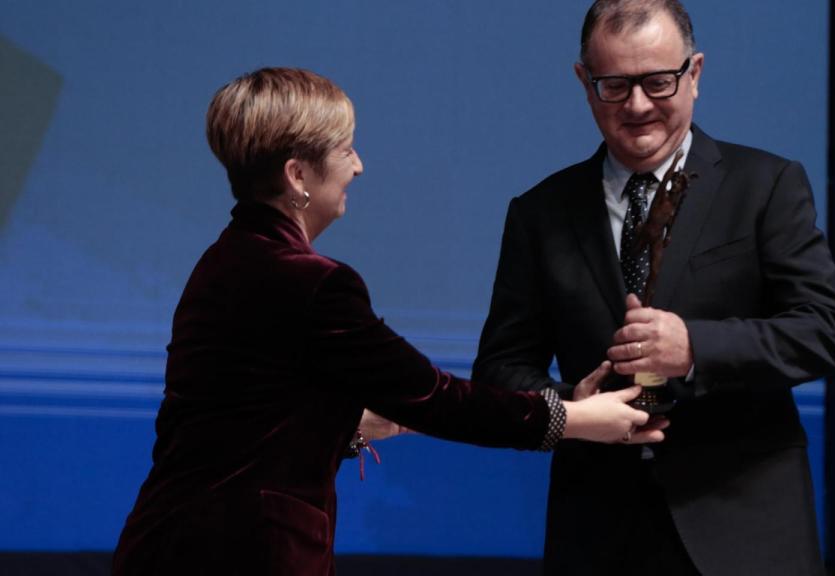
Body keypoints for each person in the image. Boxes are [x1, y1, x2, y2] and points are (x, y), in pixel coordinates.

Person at [111, 67, 665, 576]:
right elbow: (434, 396)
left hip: (170, 543)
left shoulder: (227, 258)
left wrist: (344, 423)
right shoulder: (313, 282)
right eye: (346, 149)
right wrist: (572, 418)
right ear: (297, 174)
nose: (358, 165)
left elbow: (242, 415)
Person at [473, 1, 835, 574]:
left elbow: (827, 333)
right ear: (584, 82)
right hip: (599, 531)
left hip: (745, 529)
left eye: (658, 82)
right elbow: (500, 370)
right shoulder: (540, 213)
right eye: (613, 86)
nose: (637, 106)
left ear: (694, 74)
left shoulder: (766, 185)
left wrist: (694, 349)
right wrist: (575, 406)